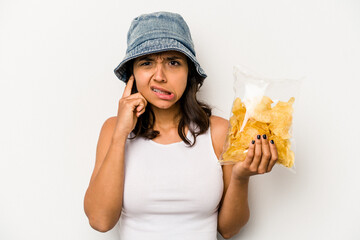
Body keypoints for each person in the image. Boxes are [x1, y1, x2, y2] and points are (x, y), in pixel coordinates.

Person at [83, 11, 278, 240]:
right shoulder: (113, 129)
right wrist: (120, 134)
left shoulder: (218, 132)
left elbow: (229, 229)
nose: (160, 76)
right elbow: (100, 220)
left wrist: (240, 177)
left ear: (189, 72)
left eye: (173, 62)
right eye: (146, 63)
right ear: (132, 76)